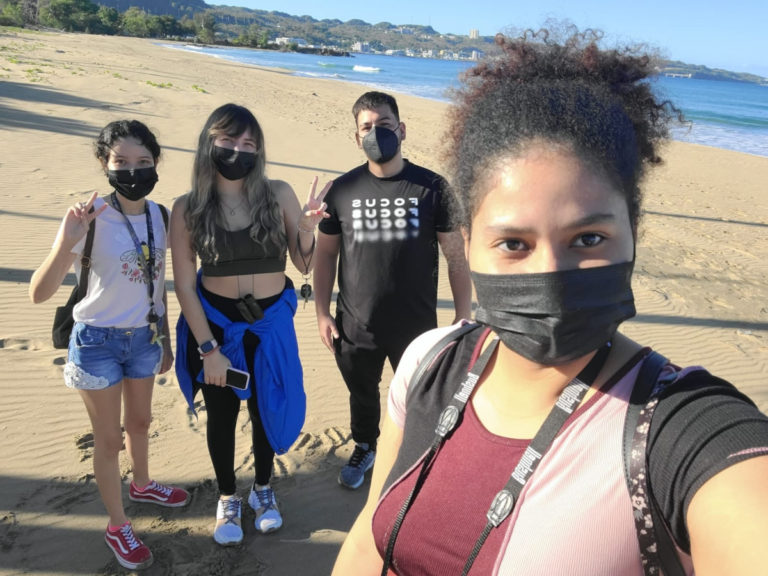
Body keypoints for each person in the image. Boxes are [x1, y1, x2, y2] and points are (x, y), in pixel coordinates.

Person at [332, 29, 768, 576]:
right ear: (467, 244)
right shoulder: (428, 365)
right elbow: (367, 542)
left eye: (588, 239)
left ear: (633, 235)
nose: (550, 275)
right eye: (514, 243)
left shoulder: (678, 431)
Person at [29, 120, 189, 571]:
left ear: (156, 163)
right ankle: (118, 525)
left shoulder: (160, 216)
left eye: (143, 161)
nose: (133, 171)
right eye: (121, 161)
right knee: (109, 439)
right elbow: (39, 293)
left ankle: (142, 484)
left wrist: (164, 340)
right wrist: (67, 242)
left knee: (140, 422)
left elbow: (158, 286)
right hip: (97, 341)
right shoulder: (89, 216)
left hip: (144, 338)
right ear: (105, 163)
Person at [171, 103, 329, 546]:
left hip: (269, 325)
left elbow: (303, 264)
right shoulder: (187, 208)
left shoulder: (277, 194)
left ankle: (262, 488)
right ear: (209, 143)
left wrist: (307, 228)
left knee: (265, 408)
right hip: (218, 327)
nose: (238, 150)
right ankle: (227, 497)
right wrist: (208, 349)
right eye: (228, 140)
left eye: (248, 143)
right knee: (222, 415)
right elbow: (184, 285)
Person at [314, 91, 473, 490]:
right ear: (356, 138)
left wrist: (462, 315)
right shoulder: (342, 190)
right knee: (362, 395)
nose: (375, 133)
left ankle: (412, 454)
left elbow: (456, 256)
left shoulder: (432, 188)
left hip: (416, 326)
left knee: (421, 397)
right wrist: (321, 312)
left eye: (383, 125)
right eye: (366, 127)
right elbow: (325, 254)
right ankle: (366, 445)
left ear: (401, 130)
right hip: (356, 323)